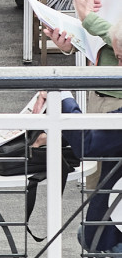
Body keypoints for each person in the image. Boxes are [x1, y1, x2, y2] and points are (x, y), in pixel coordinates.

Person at [34, 78, 122, 254]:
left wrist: (61, 97)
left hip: (114, 233)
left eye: (119, 59)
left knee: (89, 235)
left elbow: (88, 143)